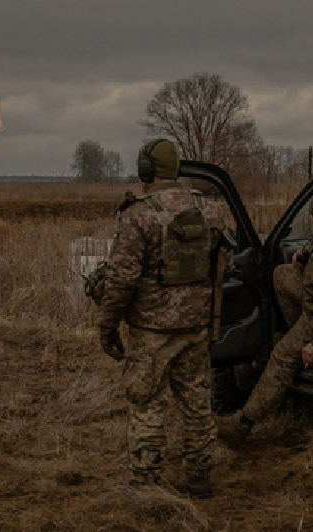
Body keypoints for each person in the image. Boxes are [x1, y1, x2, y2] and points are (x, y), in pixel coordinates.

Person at [97, 138, 226, 498]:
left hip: (152, 330)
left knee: (146, 402)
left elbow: (121, 278)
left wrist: (107, 325)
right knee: (196, 403)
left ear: (146, 170)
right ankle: (199, 476)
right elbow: (218, 264)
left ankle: (146, 482)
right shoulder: (210, 209)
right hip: (196, 326)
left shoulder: (138, 213)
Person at [216, 188, 313, 442]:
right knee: (281, 274)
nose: (311, 219)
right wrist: (302, 258)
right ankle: (296, 333)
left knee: (280, 356)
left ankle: (243, 423)